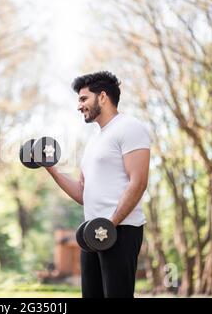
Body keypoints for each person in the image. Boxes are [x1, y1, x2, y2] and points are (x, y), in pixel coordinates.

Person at [45, 71, 150, 298]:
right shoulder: (94, 140)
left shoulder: (130, 128)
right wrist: (50, 168)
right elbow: (84, 194)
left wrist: (110, 224)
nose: (79, 106)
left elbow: (138, 182)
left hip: (121, 230)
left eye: (83, 99)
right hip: (93, 233)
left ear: (102, 97)